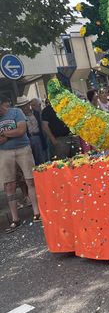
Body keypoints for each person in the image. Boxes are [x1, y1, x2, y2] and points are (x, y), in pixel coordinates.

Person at [0, 95, 41, 233]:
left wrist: (4, 134)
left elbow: (21, 130)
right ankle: (15, 219)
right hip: (5, 152)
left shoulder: (16, 112)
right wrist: (11, 134)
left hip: (23, 148)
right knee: (9, 185)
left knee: (30, 180)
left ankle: (37, 212)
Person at [15, 96, 48, 165]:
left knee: (42, 158)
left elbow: (42, 125)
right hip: (27, 139)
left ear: (29, 104)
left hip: (39, 137)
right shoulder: (19, 117)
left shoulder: (37, 113)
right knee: (32, 159)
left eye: (25, 105)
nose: (24, 108)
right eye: (22, 106)